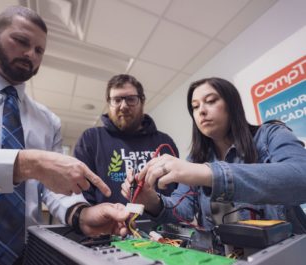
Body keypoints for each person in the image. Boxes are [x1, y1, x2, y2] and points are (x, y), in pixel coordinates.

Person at [0, 6, 129, 264]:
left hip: (26, 256)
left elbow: (52, 188)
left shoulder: (48, 120)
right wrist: (23, 164)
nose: (30, 55)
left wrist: (81, 213)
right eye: (21, 41)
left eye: (39, 50)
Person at [121, 77, 306, 233]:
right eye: (195, 106)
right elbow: (182, 210)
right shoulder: (195, 159)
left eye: (210, 101)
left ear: (232, 106)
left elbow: (301, 178)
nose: (201, 111)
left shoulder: (270, 135)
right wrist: (152, 201)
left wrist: (209, 174)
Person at [74, 74, 179, 206]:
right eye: (117, 100)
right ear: (108, 103)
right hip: (108, 225)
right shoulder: (91, 139)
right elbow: (81, 193)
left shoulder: (165, 142)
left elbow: (178, 192)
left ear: (142, 101)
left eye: (131, 99)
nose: (123, 106)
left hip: (160, 225)